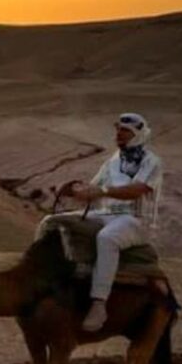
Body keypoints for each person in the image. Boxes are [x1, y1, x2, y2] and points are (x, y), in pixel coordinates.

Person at [39, 112, 163, 332]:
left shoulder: (151, 162)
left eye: (125, 131)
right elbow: (93, 188)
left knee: (107, 238)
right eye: (118, 130)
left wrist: (103, 190)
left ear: (138, 134)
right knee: (51, 222)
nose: (119, 134)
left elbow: (136, 190)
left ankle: (99, 304)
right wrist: (77, 190)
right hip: (105, 215)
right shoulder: (112, 161)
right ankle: (41, 279)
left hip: (135, 219)